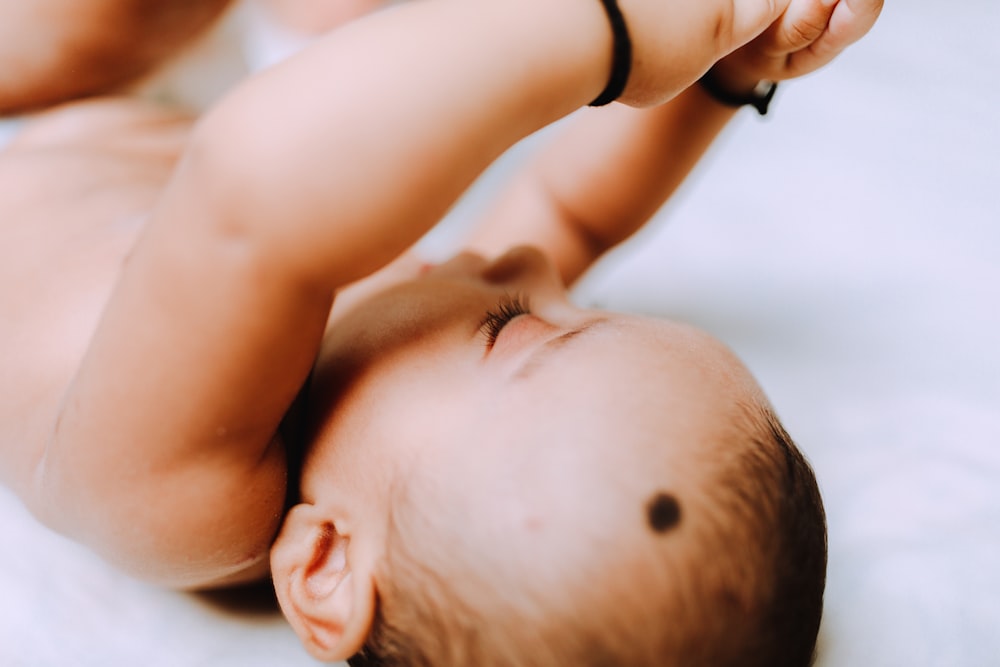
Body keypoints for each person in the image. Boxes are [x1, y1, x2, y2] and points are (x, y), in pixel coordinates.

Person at [0, 0, 882, 665]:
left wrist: (615, 35)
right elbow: (578, 213)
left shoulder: (183, 500)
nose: (535, 263)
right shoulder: (385, 373)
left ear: (325, 567)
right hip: (140, 107)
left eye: (513, 331)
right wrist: (736, 66)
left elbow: (253, 180)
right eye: (592, 311)